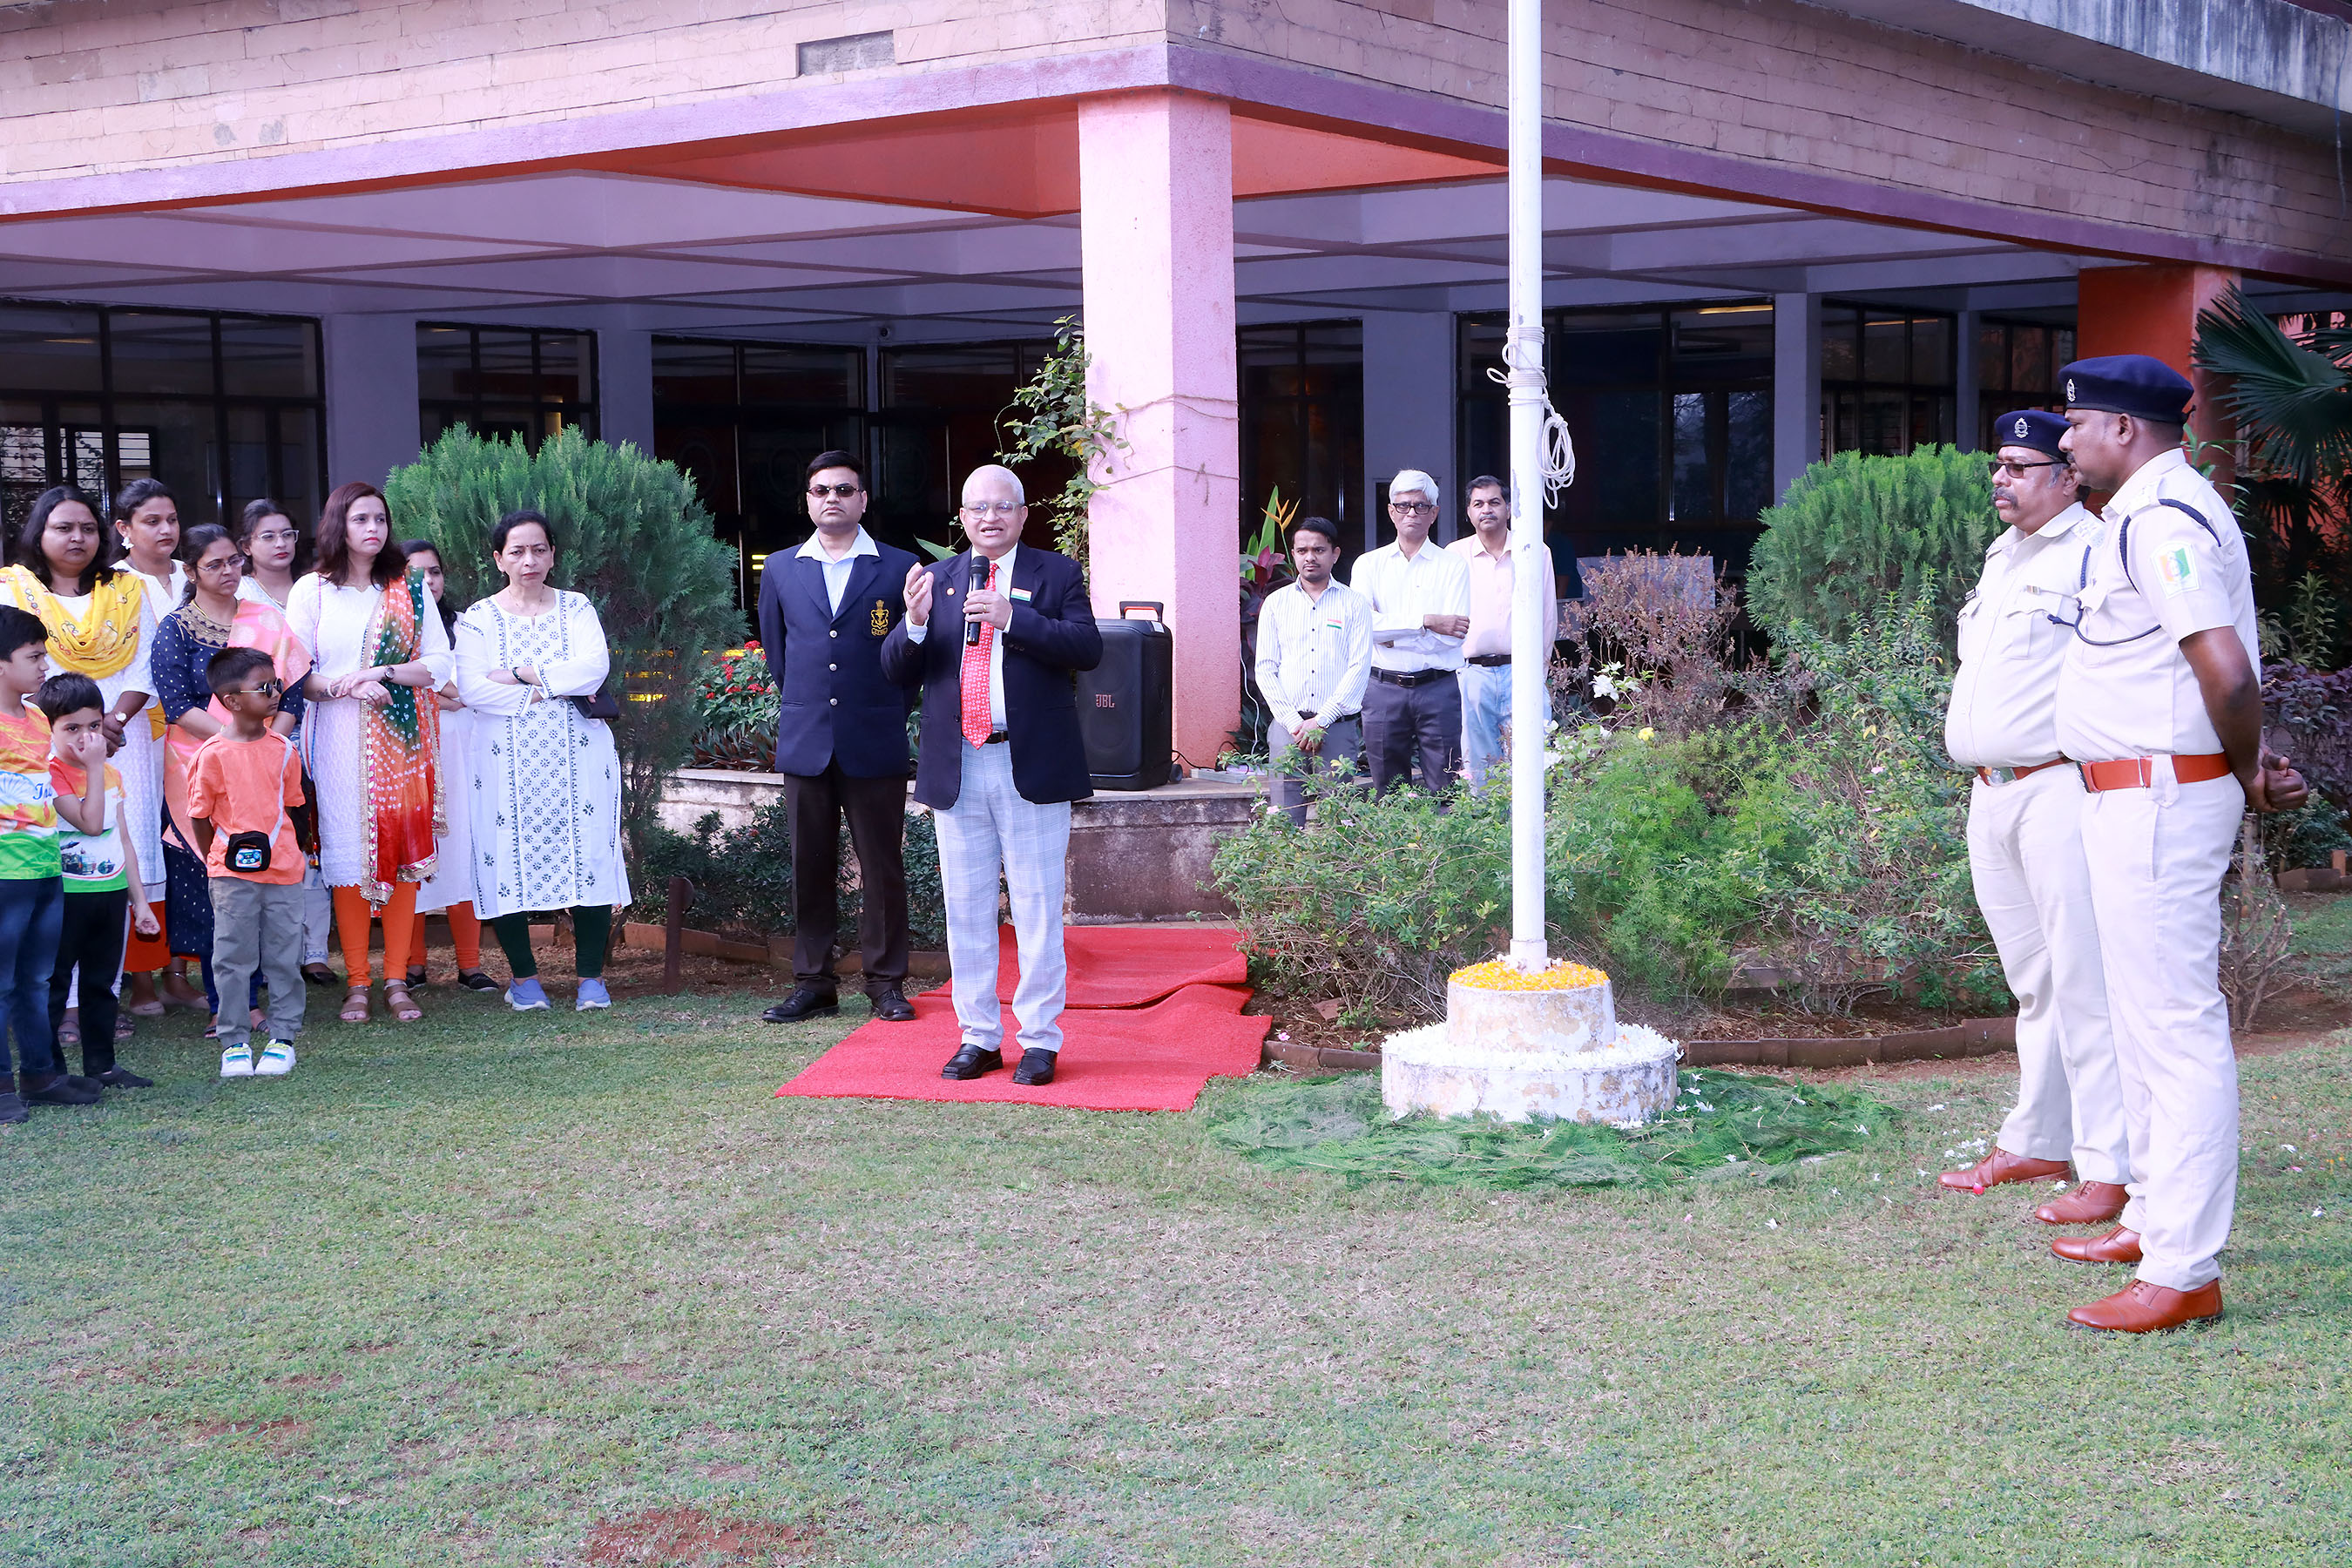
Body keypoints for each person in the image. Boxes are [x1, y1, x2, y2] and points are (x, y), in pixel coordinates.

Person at [2051, 355, 2309, 1334]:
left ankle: (2184, 1268)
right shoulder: (2146, 513)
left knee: (2172, 1027)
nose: (2066, 439)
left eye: (2077, 422)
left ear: (2124, 429)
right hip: (2135, 795)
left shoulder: (2161, 520)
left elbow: (2226, 672)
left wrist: (2246, 770)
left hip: (2158, 801)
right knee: (2141, 1021)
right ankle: (2155, 1219)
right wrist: (2243, 764)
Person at [1937, 410, 2130, 1227]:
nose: (2000, 478)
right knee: (2034, 981)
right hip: (1991, 792)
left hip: (2059, 788)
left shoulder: (2097, 552)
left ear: (2067, 476)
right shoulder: (2003, 555)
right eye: (1999, 464)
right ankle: (2040, 1141)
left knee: (2085, 981)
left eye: (2020, 467)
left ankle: (2112, 1166)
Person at [882, 464, 1102, 1086]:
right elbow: (894, 669)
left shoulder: (1056, 574)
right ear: (962, 517)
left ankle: (1039, 1040)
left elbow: (1087, 649)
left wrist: (1014, 619)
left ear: (1023, 515)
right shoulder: (937, 579)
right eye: (978, 508)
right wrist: (913, 623)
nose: (990, 518)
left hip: (1030, 763)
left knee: (1036, 909)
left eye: (1003, 506)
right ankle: (978, 1037)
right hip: (959, 765)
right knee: (966, 909)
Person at [1, 486, 178, 1029]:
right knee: (63, 864)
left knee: (117, 859)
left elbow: (146, 665)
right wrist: (72, 732)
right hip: (41, 744)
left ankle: (104, 995)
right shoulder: (14, 589)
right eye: (63, 528)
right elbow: (16, 672)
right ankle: (65, 1003)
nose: (77, 538)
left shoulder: (127, 588)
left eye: (86, 528)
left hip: (125, 741)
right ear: (39, 534)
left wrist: (111, 723)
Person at [756, 450, 922, 1025]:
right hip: (807, 741)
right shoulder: (781, 568)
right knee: (809, 865)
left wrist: (880, 709)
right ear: (808, 500)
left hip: (873, 739)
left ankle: (886, 983)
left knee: (882, 867)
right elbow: (779, 655)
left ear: (863, 500)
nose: (833, 498)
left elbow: (906, 656)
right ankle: (813, 984)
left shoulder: (899, 566)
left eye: (844, 490)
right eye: (822, 490)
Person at [287, 483, 451, 1026]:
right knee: (347, 859)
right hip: (336, 739)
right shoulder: (312, 591)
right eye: (360, 519)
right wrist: (347, 687)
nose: (373, 528)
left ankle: (397, 980)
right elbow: (296, 674)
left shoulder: (409, 587)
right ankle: (357, 981)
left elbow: (438, 665)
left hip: (401, 742)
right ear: (338, 524)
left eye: (380, 519)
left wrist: (381, 672)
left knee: (399, 853)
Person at [453, 510, 630, 1011]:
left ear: (552, 555)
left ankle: (591, 979)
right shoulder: (479, 618)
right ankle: (525, 980)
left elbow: (593, 670)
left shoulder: (577, 608)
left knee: (588, 854)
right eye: (517, 551)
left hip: (579, 754)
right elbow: (472, 689)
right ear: (499, 559)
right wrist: (548, 687)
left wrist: (519, 672)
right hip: (503, 761)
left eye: (538, 550)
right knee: (505, 857)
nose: (528, 560)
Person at [153, 525, 308, 1038]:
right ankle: (225, 1003)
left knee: (264, 872)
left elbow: (291, 691)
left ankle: (262, 997)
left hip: (266, 768)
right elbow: (177, 704)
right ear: (191, 570)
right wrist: (236, 742)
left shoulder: (266, 619)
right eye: (214, 564)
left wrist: (269, 745)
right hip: (200, 767)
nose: (228, 572)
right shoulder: (176, 629)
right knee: (215, 885)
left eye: (233, 562)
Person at [187, 646, 308, 1078]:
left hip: (285, 872)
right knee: (232, 958)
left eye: (277, 684)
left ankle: (284, 1037)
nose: (275, 693)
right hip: (230, 876)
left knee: (284, 957)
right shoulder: (212, 754)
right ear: (232, 701)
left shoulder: (284, 750)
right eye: (264, 687)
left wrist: (290, 853)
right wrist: (217, 860)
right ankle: (234, 1041)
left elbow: (292, 807)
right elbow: (199, 816)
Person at [41, 673, 161, 1091]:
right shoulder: (51, 775)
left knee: (101, 983)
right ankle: (50, 1073)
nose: (85, 738)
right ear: (49, 729)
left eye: (94, 725)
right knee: (55, 986)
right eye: (71, 728)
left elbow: (122, 840)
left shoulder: (110, 774)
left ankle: (102, 1066)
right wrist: (94, 766)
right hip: (65, 897)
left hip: (109, 894)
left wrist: (140, 903)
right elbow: (90, 824)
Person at [109, 479, 199, 1015]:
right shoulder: (114, 585)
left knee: (186, 847)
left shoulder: (195, 574)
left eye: (171, 519)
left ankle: (178, 973)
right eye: (151, 521)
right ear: (124, 528)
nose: (166, 529)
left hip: (199, 732)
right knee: (142, 844)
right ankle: (140, 979)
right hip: (139, 733)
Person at [237, 497, 335, 987]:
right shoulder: (238, 594)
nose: (280, 544)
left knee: (311, 838)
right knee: (267, 837)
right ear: (246, 546)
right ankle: (270, 954)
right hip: (257, 732)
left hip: (318, 723)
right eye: (267, 536)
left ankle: (315, 950)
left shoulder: (317, 587)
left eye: (287, 534)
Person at [0, 606, 87, 1120]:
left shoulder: (36, 718)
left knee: (37, 980)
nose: (44, 666)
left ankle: (39, 1076)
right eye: (33, 657)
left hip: (45, 867)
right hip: (4, 875)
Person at [399, 540, 497, 994]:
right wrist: (443, 693)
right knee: (414, 851)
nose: (427, 582)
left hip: (464, 752)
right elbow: (421, 689)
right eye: (414, 573)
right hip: (408, 753)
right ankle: (412, 964)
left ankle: (470, 965)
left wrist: (439, 691)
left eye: (434, 572)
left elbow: (473, 689)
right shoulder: (390, 628)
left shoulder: (466, 626)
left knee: (463, 851)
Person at [1350, 469, 1470, 793]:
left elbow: (1452, 636)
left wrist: (1390, 634)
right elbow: (1363, 627)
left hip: (1438, 688)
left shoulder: (1453, 565)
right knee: (1388, 791)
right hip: (1383, 688)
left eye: (1420, 505)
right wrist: (1427, 621)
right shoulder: (1367, 565)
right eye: (1403, 505)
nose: (1411, 513)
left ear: (1434, 513)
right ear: (1391, 511)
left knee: (1446, 787)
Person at [1253, 515, 1370, 828]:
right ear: (1293, 554)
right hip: (1287, 728)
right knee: (1284, 823)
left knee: (1338, 822)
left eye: (1319, 550)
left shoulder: (1354, 604)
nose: (1310, 557)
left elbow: (1359, 668)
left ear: (1335, 554)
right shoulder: (1276, 604)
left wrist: (1321, 721)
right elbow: (1265, 669)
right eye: (1302, 550)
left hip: (1337, 728)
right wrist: (1296, 724)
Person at [1448, 476, 1558, 794]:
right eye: (1478, 504)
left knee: (1532, 762)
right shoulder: (1453, 555)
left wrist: (1538, 672)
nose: (1487, 510)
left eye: (1494, 502)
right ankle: (1486, 823)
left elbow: (1547, 616)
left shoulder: (1534, 551)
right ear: (1468, 512)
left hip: (1521, 671)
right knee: (1479, 766)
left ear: (1508, 509)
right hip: (1472, 674)